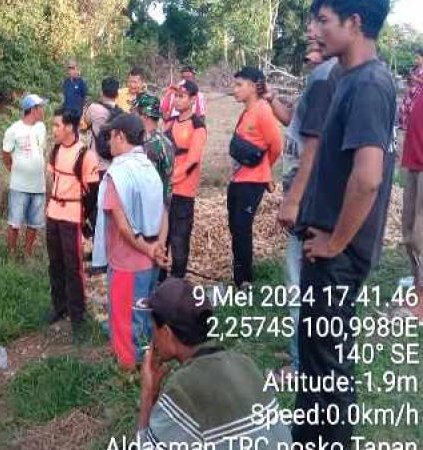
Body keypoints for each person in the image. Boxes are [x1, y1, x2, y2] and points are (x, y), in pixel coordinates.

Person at [295, 0, 396, 446]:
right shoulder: (349, 78)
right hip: (330, 252)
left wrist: (336, 243)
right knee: (319, 363)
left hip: (337, 257)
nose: (314, 29)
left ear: (354, 24)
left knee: (328, 368)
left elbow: (369, 177)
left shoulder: (370, 83)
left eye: (323, 19)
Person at [136, 278, 292, 447]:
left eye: (154, 328)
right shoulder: (244, 363)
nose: (153, 338)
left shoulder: (183, 388)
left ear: (166, 333)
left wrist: (147, 396)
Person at [264, 32, 340, 377]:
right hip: (309, 197)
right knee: (307, 284)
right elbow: (292, 120)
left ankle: (301, 365)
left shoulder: (325, 81)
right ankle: (305, 354)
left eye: (315, 45)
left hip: (308, 200)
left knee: (299, 287)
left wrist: (293, 200)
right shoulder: (318, 83)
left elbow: (315, 143)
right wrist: (270, 97)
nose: (308, 51)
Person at [92, 113, 169, 371]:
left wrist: (148, 247)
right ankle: (149, 360)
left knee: (126, 319)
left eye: (111, 136)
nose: (109, 143)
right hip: (151, 260)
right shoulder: (150, 168)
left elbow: (122, 226)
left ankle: (128, 374)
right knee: (144, 312)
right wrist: (158, 246)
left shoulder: (118, 174)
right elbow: (163, 212)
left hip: (127, 262)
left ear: (120, 136)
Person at [45, 108, 100, 338]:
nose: (54, 130)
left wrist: (84, 218)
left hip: (72, 216)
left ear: (69, 127)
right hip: (53, 214)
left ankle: (78, 316)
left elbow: (93, 192)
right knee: (55, 263)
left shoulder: (85, 155)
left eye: (57, 125)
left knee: (73, 267)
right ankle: (59, 307)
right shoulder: (56, 150)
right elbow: (52, 179)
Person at [228, 67, 283, 289]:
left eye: (239, 85)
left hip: (252, 182)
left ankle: (245, 281)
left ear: (253, 87)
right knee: (235, 226)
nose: (235, 89)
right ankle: (239, 275)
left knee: (242, 228)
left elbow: (276, 146)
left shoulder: (262, 111)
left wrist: (263, 171)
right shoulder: (246, 112)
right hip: (238, 179)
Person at [162, 81, 207, 279]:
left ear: (193, 99)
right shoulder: (171, 122)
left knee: (179, 240)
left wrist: (172, 179)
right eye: (176, 96)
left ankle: (177, 283)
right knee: (162, 237)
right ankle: (159, 279)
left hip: (183, 190)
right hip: (166, 190)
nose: (177, 100)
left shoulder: (198, 126)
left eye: (181, 96)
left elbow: (192, 160)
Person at [3, 94, 48, 258]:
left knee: (34, 223)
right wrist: (13, 169)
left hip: (38, 185)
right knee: (15, 222)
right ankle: (11, 253)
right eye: (41, 107)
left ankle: (27, 253)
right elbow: (6, 154)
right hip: (19, 185)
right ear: (34, 109)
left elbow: (41, 150)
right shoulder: (13, 129)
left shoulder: (41, 127)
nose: (43, 110)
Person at [134, 92, 174, 264]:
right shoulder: (166, 141)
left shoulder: (146, 146)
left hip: (149, 209)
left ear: (143, 115)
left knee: (148, 255)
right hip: (165, 205)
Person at [401, 56, 423, 321]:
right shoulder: (416, 84)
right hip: (414, 160)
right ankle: (417, 282)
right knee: (409, 227)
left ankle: (420, 304)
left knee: (420, 231)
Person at [84, 77, 123, 174]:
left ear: (101, 92)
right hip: (113, 165)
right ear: (117, 94)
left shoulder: (93, 108)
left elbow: (86, 121)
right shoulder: (121, 114)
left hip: (95, 164)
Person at [398, 48, 423, 130]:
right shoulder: (415, 68)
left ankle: (413, 127)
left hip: (419, 94)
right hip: (411, 92)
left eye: (418, 58)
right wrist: (410, 79)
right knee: (403, 107)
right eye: (415, 58)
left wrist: (415, 79)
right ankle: (405, 125)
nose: (416, 60)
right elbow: (411, 80)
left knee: (413, 109)